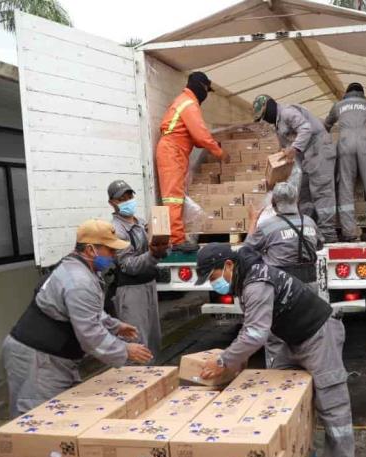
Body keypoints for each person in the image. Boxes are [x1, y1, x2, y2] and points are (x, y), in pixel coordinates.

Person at [194, 243, 358, 457]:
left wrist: (224, 361)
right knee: (282, 398)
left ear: (227, 265)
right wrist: (240, 359)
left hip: (318, 334)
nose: (214, 285)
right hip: (291, 338)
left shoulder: (255, 282)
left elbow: (256, 334)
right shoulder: (245, 277)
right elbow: (254, 327)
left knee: (332, 405)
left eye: (213, 278)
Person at [2, 220, 153, 417]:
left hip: (54, 356)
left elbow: (88, 312)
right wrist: (124, 349)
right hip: (37, 358)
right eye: (110, 250)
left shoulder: (81, 270)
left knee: (66, 415)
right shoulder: (78, 280)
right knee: (39, 419)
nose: (114, 256)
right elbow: (90, 335)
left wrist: (115, 326)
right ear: (91, 250)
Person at [244, 182, 324, 367]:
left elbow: (246, 252)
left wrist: (252, 221)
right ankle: (307, 378)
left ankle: (280, 381)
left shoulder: (267, 226)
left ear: (273, 203)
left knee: (277, 337)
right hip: (310, 287)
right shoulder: (309, 222)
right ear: (296, 200)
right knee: (307, 332)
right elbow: (319, 244)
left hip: (283, 289)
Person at [156, 72, 228, 252]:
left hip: (176, 151)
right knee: (173, 198)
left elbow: (195, 138)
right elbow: (201, 135)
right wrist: (220, 152)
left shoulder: (185, 101)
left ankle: (177, 236)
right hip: (172, 151)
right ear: (201, 86)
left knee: (176, 196)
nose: (206, 94)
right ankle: (177, 240)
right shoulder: (189, 104)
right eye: (206, 90)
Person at [253, 94, 338, 243]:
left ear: (269, 107)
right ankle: (306, 229)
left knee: (321, 190)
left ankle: (328, 233)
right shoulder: (278, 126)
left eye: (264, 116)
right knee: (304, 193)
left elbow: (306, 129)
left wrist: (294, 148)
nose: (265, 120)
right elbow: (285, 148)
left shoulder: (287, 112)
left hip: (319, 150)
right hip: (306, 157)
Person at [108, 180, 169, 359]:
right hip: (131, 290)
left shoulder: (142, 223)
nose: (127, 201)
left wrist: (164, 247)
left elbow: (158, 251)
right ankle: (137, 382)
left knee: (153, 338)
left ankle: (157, 378)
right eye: (121, 199)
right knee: (137, 342)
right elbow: (128, 265)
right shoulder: (116, 230)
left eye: (129, 196)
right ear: (112, 202)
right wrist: (153, 254)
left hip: (149, 284)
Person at [324, 83, 366, 241]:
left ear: (346, 93)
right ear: (362, 93)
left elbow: (326, 126)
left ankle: (349, 232)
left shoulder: (338, 105)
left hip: (345, 142)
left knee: (346, 186)